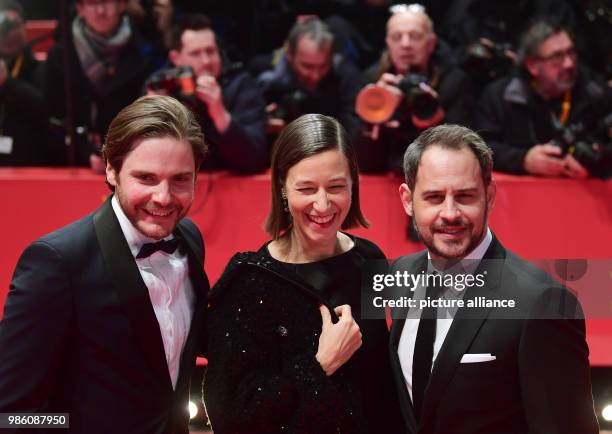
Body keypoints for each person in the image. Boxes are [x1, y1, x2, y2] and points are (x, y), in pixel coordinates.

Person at [0, 95, 210, 434]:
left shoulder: (189, 239)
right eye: (146, 178)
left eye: (181, 179)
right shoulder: (57, 262)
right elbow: (11, 415)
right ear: (111, 169)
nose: (164, 197)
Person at [389, 124, 599, 434]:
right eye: (434, 197)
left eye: (465, 196)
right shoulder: (400, 274)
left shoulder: (542, 303)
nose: (450, 213)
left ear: (489, 195)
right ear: (408, 200)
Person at [203, 114, 401, 434]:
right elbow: (232, 415)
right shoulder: (249, 282)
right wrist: (320, 366)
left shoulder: (370, 258)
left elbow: (379, 388)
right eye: (306, 189)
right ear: (283, 188)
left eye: (336, 187)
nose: (322, 205)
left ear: (353, 184)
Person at [475, 17, 612, 178]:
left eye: (571, 52)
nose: (569, 64)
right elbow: (479, 149)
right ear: (532, 66)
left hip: (585, 189)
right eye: (557, 57)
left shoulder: (595, 90)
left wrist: (596, 163)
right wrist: (523, 160)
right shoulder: (499, 97)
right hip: (521, 192)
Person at [355, 3, 473, 173]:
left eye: (415, 36)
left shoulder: (453, 81)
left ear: (432, 43)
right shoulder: (372, 82)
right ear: (388, 44)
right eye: (397, 37)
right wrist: (376, 114)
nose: (405, 44)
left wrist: (436, 121)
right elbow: (365, 165)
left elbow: (463, 157)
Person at [148, 13, 268, 173]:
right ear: (176, 58)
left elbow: (255, 160)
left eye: (210, 51)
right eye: (195, 54)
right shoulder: (161, 88)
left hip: (233, 191)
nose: (206, 61)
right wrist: (151, 119)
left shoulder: (242, 86)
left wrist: (220, 114)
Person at [45, 0, 153, 169]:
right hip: (75, 162)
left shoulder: (146, 51)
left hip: (133, 160)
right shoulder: (60, 55)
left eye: (107, 2)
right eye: (92, 3)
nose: (101, 11)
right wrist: (86, 153)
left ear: (122, 5)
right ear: (80, 9)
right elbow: (53, 118)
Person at [256, 17, 362, 140]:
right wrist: (259, 122)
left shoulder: (346, 75)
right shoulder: (264, 73)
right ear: (289, 54)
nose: (315, 75)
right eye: (307, 66)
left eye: (323, 66)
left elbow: (353, 133)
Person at [0, 0, 54, 166]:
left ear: (25, 28)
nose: (8, 33)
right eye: (4, 25)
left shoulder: (41, 67)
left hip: (29, 161)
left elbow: (46, 109)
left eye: (14, 25)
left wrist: (7, 82)